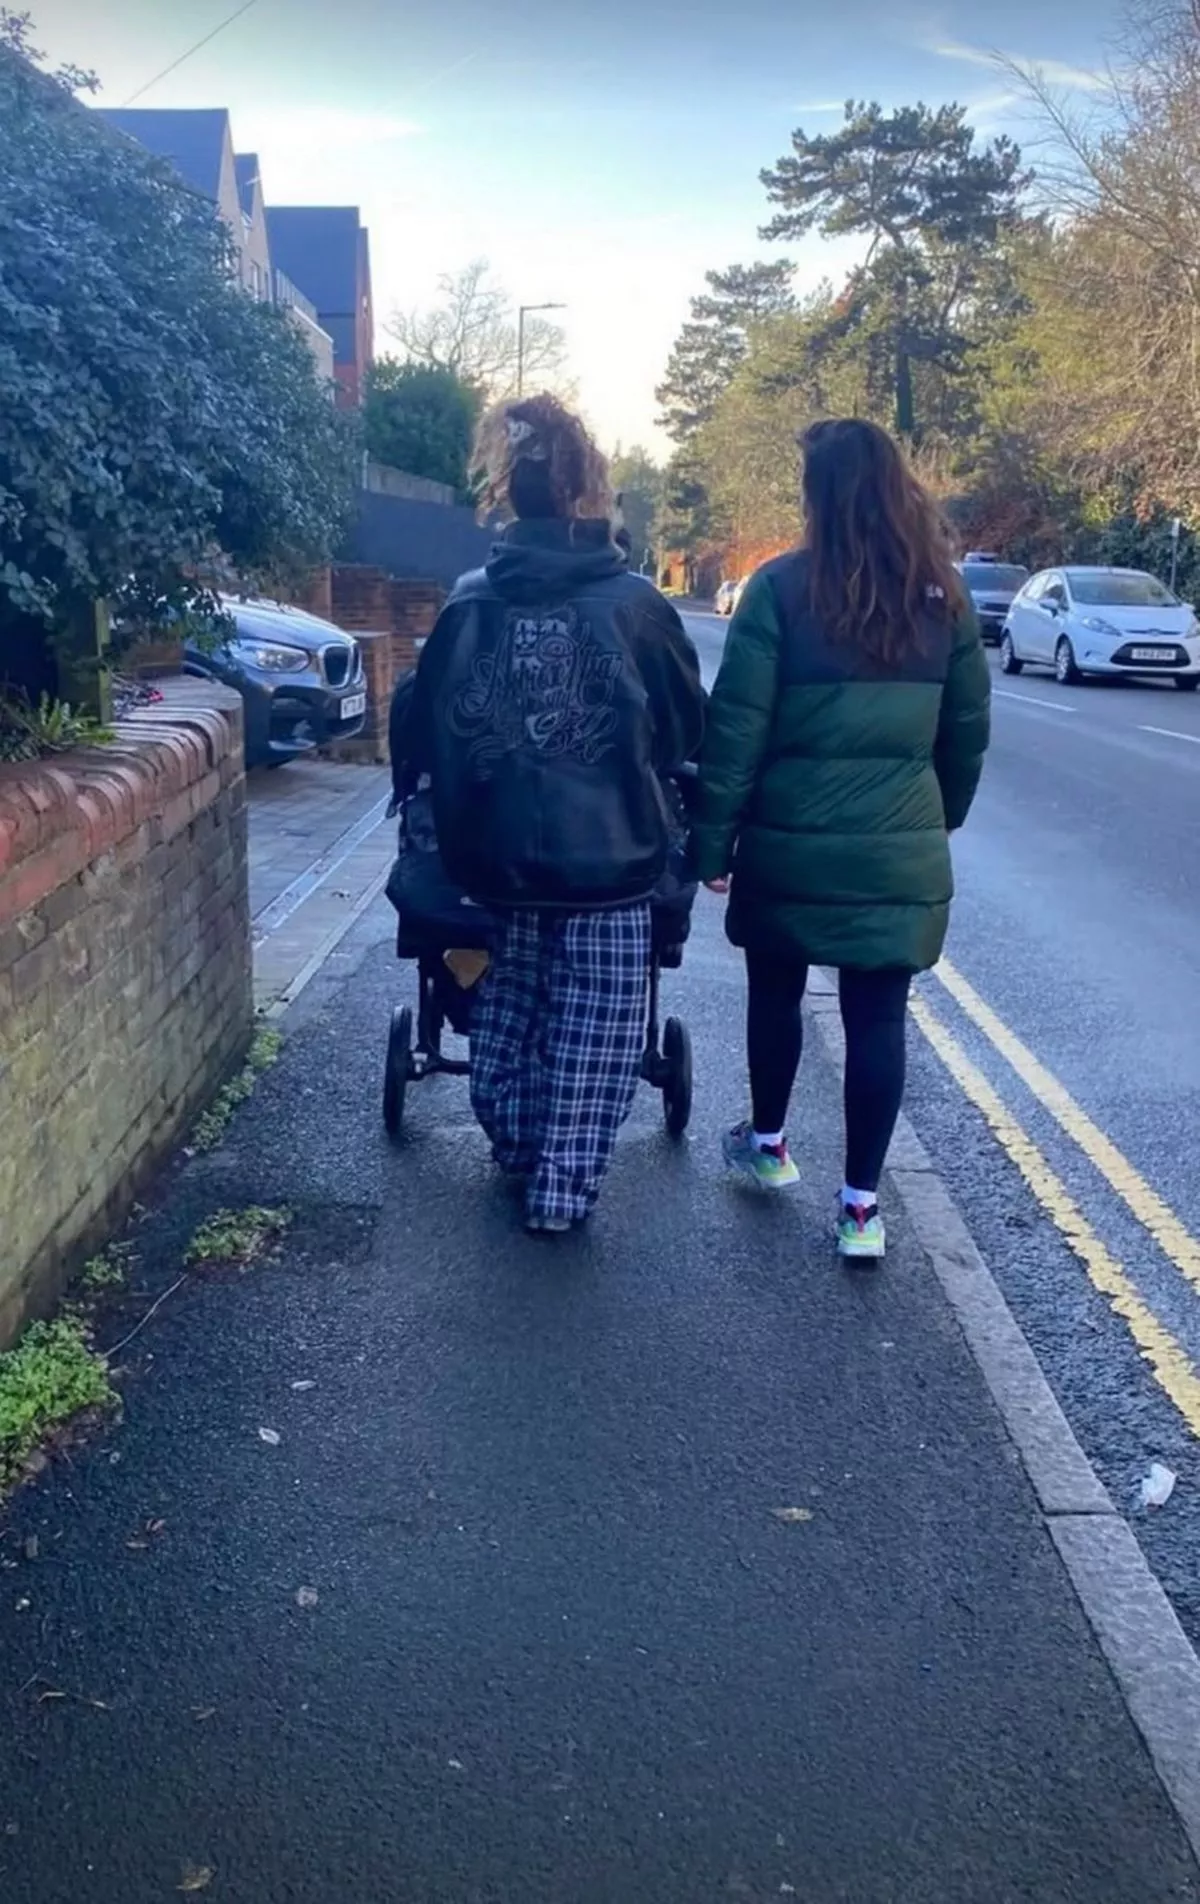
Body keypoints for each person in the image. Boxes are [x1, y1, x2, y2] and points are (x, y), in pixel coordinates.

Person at [692, 417, 991, 1261]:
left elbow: (736, 730)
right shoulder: (943, 598)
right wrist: (937, 817)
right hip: (896, 845)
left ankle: (772, 1145)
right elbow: (966, 730)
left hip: (789, 843)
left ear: (816, 497)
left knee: (774, 994)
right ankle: (861, 1209)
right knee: (876, 1016)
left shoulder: (778, 591)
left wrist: (714, 847)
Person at [407, 395, 705, 1234]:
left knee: (512, 1000)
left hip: (492, 855)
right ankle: (561, 1192)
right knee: (600, 1022)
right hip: (613, 861)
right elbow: (684, 730)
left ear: (509, 490)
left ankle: (515, 1148)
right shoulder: (639, 606)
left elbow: (429, 725)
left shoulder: (468, 601)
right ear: (589, 493)